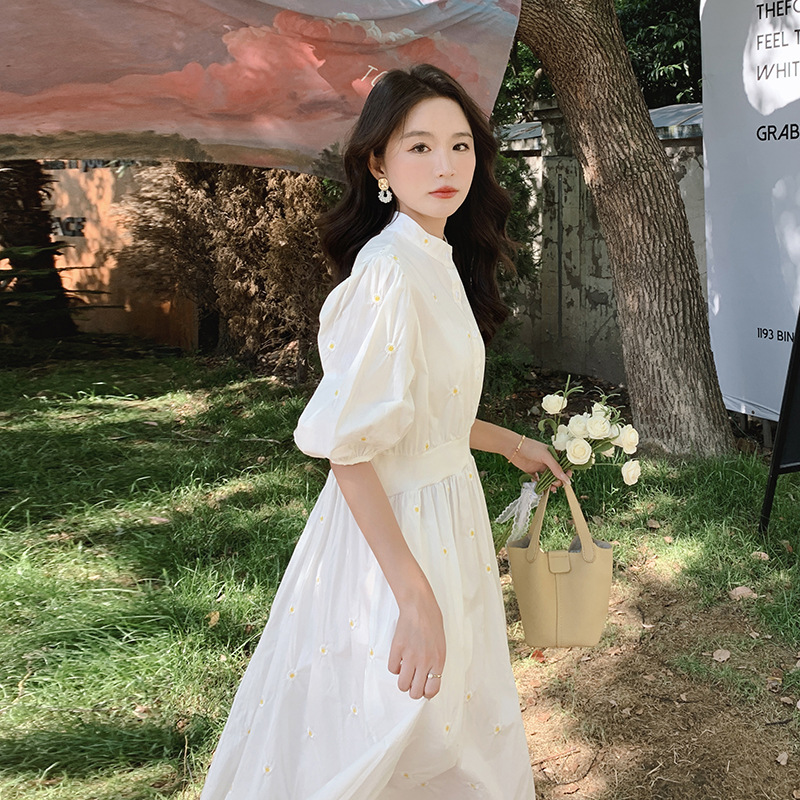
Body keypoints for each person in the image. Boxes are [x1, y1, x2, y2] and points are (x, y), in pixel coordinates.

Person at [199, 64, 569, 800]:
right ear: (378, 164)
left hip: (446, 516)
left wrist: (512, 443)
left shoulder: (434, 256)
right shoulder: (389, 272)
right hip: (395, 537)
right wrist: (412, 594)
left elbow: (422, 416)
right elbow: (351, 448)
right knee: (391, 735)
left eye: (460, 146)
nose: (445, 166)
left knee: (449, 731)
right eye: (419, 146)